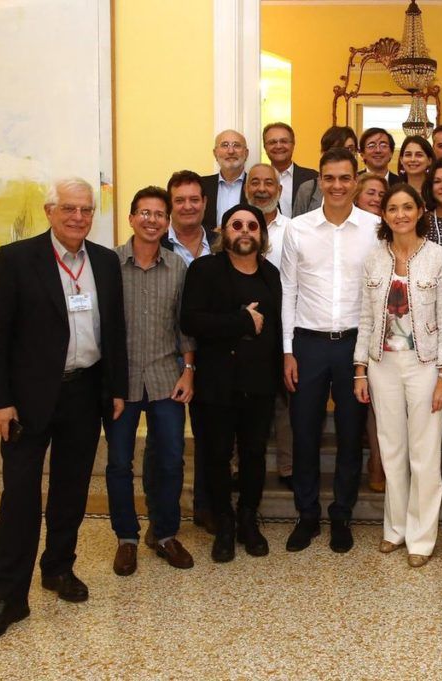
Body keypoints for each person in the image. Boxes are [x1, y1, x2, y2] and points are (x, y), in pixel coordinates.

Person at [0, 177, 127, 643]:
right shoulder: (16, 260)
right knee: (19, 496)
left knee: (71, 490)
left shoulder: (103, 261)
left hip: (84, 393)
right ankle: (9, 597)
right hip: (27, 399)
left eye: (86, 210)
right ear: (49, 211)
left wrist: (115, 388)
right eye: (69, 209)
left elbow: (113, 330)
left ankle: (58, 568)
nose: (78, 217)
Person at [281, 148, 380, 553]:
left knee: (350, 434)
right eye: (329, 178)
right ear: (319, 181)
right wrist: (287, 350)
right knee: (303, 433)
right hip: (308, 344)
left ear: (355, 180)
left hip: (355, 346)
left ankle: (341, 513)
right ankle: (307, 515)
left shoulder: (375, 228)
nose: (337, 185)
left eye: (344, 178)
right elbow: (288, 289)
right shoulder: (298, 229)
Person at [353, 183, 442, 567]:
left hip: (425, 365)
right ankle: (394, 529)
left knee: (424, 454)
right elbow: (365, 317)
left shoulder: (438, 258)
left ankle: (421, 538)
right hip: (382, 365)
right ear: (384, 215)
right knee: (391, 450)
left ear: (419, 211)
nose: (400, 214)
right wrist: (359, 369)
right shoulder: (374, 259)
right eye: (393, 208)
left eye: (407, 207)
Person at [181, 204, 282, 561]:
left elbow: (277, 328)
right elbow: (191, 320)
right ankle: (223, 521)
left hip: (259, 384)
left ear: (262, 235)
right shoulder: (205, 269)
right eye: (236, 225)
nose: (244, 231)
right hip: (216, 384)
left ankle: (247, 518)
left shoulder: (271, 275)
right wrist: (240, 321)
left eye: (252, 226)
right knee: (218, 455)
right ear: (224, 232)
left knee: (255, 454)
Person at [106, 186, 195, 577]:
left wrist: (189, 371)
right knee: (118, 464)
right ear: (131, 218)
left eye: (159, 214)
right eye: (144, 213)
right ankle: (126, 538)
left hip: (166, 379)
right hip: (120, 383)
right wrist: (105, 384)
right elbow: (98, 327)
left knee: (171, 460)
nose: (152, 220)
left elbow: (184, 327)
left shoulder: (178, 267)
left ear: (167, 221)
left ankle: (164, 533)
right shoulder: (107, 265)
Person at [155, 170, 216, 532]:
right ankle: (163, 518)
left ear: (205, 203)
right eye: (180, 200)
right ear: (170, 205)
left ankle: (205, 508)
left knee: (210, 439)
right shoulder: (156, 244)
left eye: (195, 199)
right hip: (165, 357)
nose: (189, 206)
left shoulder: (223, 243)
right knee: (166, 446)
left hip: (212, 355)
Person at [244, 163, 295, 489]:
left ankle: (288, 468)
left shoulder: (294, 229)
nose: (262, 188)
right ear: (247, 188)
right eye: (255, 182)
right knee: (247, 399)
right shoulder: (237, 226)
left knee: (286, 400)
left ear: (279, 189)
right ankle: (244, 467)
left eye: (269, 183)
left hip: (284, 324)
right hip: (243, 326)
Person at [353, 173, 389, 493]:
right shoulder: (354, 232)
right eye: (370, 192)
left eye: (382, 193)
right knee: (370, 402)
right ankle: (376, 460)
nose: (376, 198)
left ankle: (388, 461)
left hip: (390, 327)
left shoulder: (393, 232)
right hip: (355, 324)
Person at [293, 126, 359, 217]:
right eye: (336, 149)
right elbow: (298, 225)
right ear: (324, 153)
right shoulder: (308, 189)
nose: (343, 154)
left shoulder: (364, 188)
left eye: (350, 149)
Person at [262, 121, 318, 218]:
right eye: (272, 142)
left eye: (284, 141)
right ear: (265, 147)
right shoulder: (257, 183)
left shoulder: (313, 178)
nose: (278, 146)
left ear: (293, 144)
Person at [201, 129, 249, 229]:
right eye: (225, 145)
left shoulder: (256, 187)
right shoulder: (201, 185)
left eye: (236, 145)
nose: (231, 151)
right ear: (215, 153)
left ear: (246, 153)